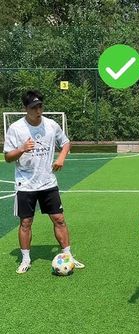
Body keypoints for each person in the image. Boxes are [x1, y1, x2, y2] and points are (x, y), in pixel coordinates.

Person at [4, 90, 85, 274]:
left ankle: (68, 256)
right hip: (25, 184)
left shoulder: (51, 125)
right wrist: (22, 149)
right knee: (26, 222)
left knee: (59, 219)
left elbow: (65, 143)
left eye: (40, 106)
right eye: (34, 107)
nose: (38, 110)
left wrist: (61, 158)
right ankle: (25, 259)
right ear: (26, 108)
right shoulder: (16, 129)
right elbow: (8, 157)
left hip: (48, 182)